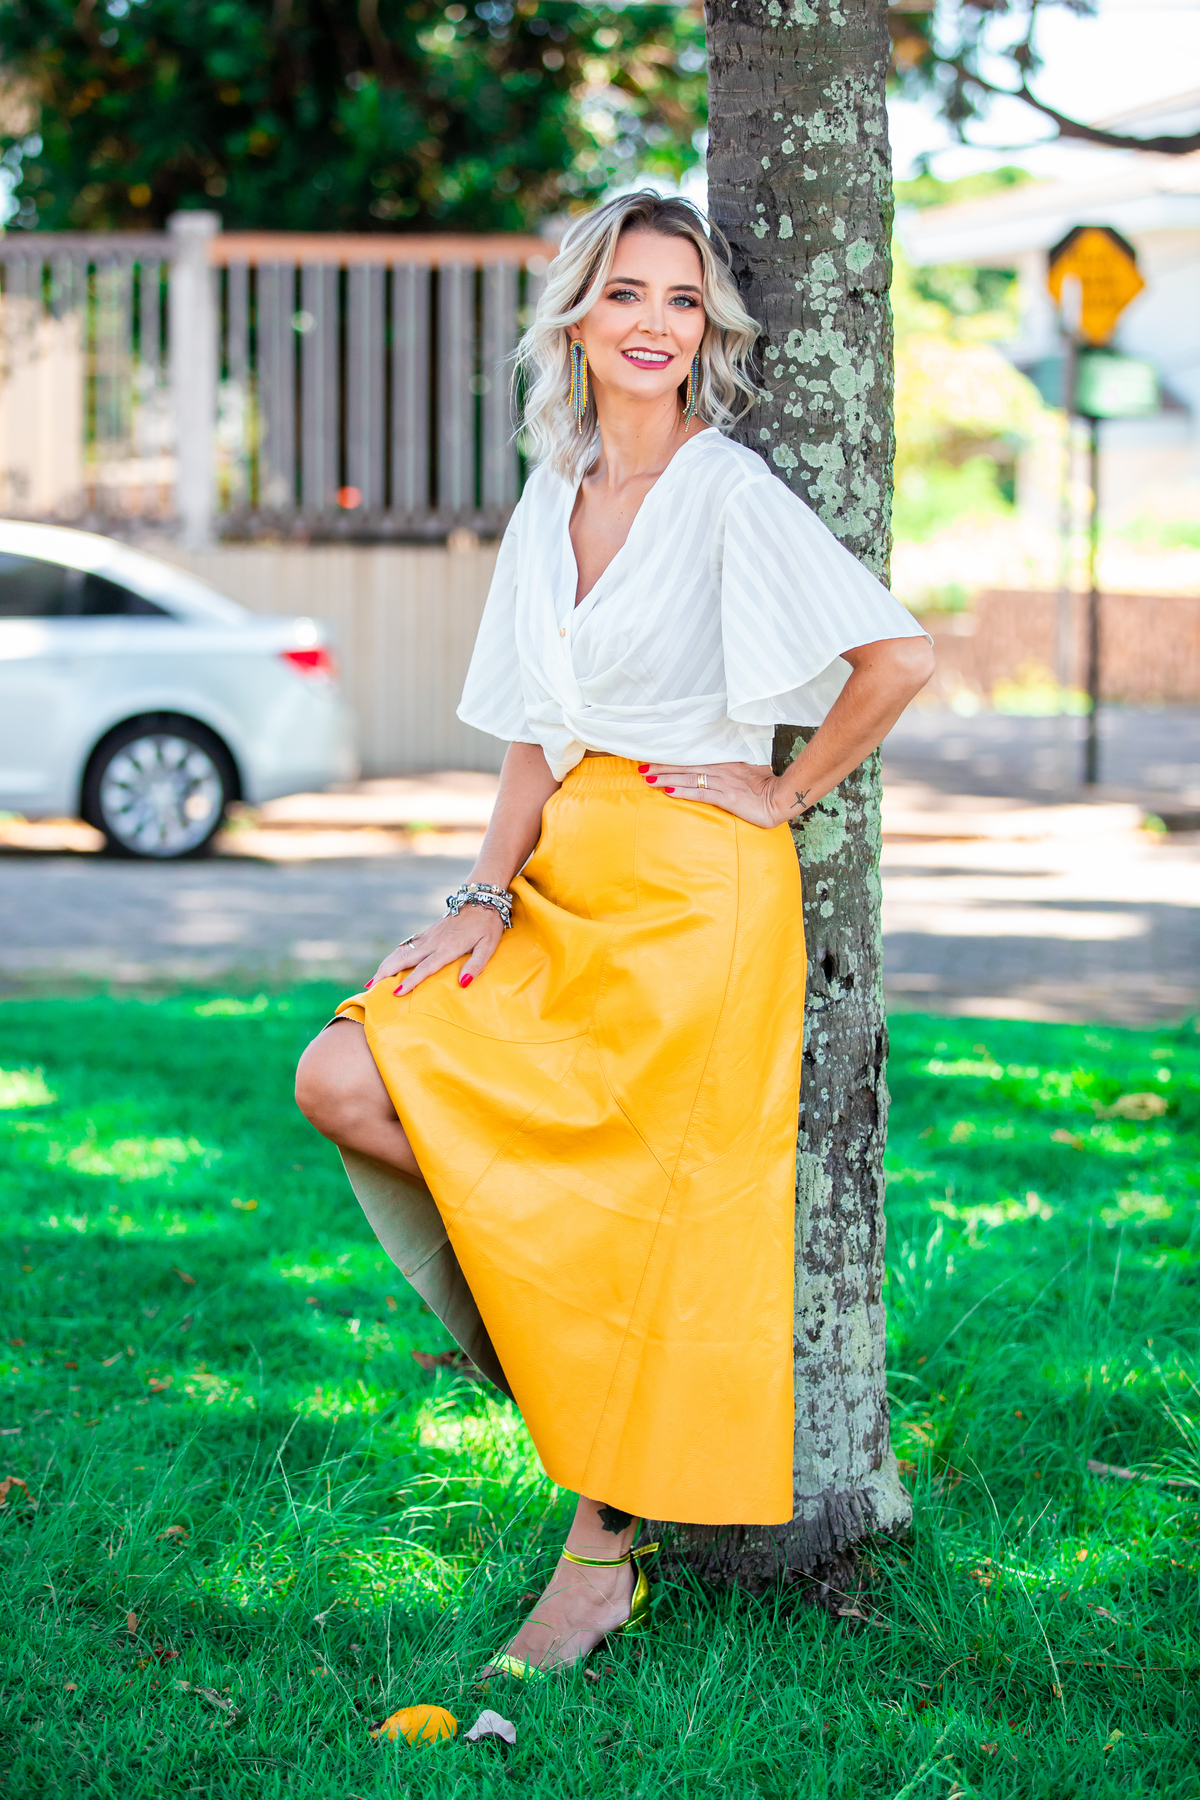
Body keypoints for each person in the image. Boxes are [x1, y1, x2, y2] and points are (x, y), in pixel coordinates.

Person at [295, 190, 933, 1678]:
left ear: (709, 333)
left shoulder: (726, 491)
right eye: (629, 294)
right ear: (577, 314)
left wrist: (784, 790)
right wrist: (479, 893)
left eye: (684, 301)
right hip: (565, 879)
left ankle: (597, 1563)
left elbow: (894, 658)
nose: (656, 325)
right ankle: (560, 1368)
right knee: (346, 1074)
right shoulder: (551, 492)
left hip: (700, 903)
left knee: (656, 1229)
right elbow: (531, 732)